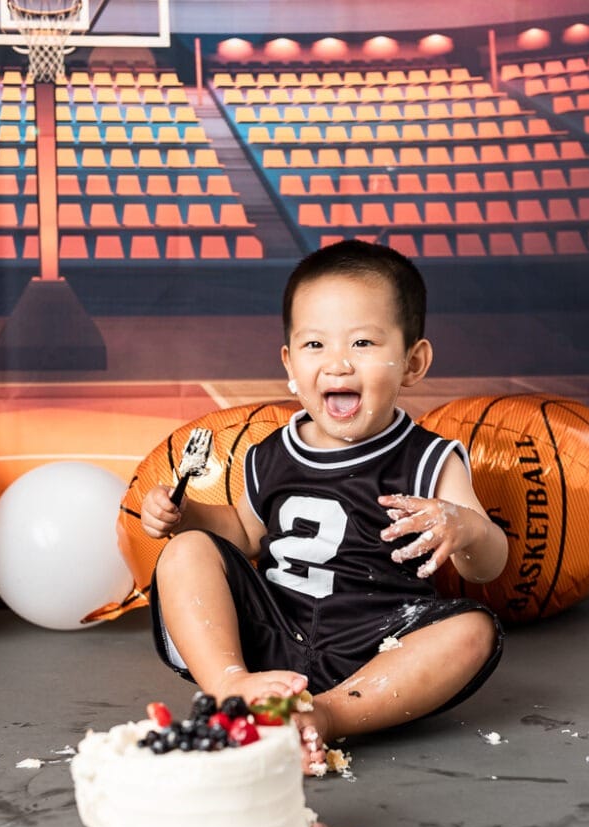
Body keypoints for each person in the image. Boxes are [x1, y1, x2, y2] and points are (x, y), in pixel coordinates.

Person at [141, 240, 508, 774]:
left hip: (377, 646)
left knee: (474, 630)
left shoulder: (431, 459)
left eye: (362, 342)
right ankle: (232, 686)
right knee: (188, 551)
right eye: (314, 344)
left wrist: (465, 528)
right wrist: (188, 518)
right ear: (289, 362)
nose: (336, 363)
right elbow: (243, 534)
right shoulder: (271, 451)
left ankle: (325, 715)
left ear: (412, 361)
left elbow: (489, 566)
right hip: (268, 631)